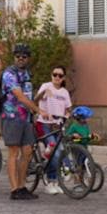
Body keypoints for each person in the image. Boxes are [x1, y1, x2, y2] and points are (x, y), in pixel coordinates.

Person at [0, 44, 41, 200]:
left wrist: (37, 105)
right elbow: (20, 97)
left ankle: (23, 186)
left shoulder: (27, 74)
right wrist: (38, 110)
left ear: (28, 58)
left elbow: (29, 97)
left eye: (24, 56)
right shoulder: (9, 74)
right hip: (12, 117)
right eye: (18, 56)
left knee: (27, 152)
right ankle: (14, 188)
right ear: (14, 57)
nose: (21, 59)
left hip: (26, 118)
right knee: (13, 152)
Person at [35, 65, 74, 195]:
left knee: (61, 151)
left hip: (58, 126)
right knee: (55, 153)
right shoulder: (46, 86)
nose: (57, 77)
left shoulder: (64, 92)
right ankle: (50, 181)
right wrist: (43, 93)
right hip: (45, 124)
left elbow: (68, 109)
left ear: (63, 78)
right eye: (54, 74)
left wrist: (66, 118)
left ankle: (57, 182)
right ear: (51, 75)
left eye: (60, 75)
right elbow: (35, 101)